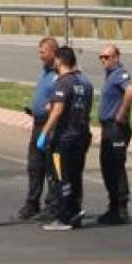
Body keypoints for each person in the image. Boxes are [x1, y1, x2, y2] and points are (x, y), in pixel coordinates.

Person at [37, 45, 94, 231]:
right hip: (81, 136)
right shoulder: (84, 83)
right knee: (75, 176)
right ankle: (75, 211)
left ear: (60, 60)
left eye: (55, 60)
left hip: (65, 138)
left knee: (61, 176)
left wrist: (44, 133)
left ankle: (63, 216)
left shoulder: (63, 82)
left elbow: (58, 111)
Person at [18, 37, 60, 222]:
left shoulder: (59, 74)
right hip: (37, 124)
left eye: (43, 51)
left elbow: (60, 101)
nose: (40, 55)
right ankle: (31, 203)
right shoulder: (44, 72)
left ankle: (52, 204)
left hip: (51, 126)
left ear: (53, 52)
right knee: (34, 166)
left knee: (52, 167)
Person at [96, 45, 132, 225]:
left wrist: (122, 113)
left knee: (116, 167)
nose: (103, 60)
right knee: (107, 167)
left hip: (116, 128)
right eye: (101, 57)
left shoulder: (120, 74)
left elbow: (131, 91)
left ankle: (121, 208)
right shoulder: (110, 76)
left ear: (116, 57)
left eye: (107, 57)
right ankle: (113, 206)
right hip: (108, 128)